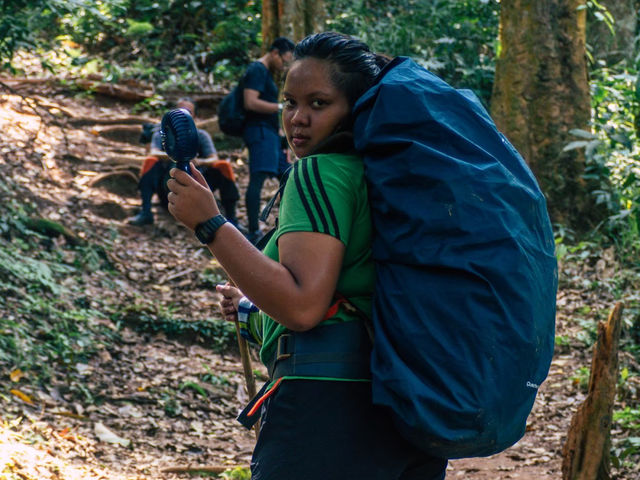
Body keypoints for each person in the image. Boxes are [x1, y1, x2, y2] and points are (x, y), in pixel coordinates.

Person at [166, 32, 448, 479]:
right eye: (290, 102)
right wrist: (249, 309)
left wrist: (210, 224)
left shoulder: (320, 172)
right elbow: (349, 291)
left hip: (327, 410)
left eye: (319, 104)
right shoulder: (389, 180)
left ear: (356, 110)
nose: (297, 119)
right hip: (408, 406)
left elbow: (301, 306)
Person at [128, 98, 239, 226]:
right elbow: (153, 153)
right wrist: (175, 156)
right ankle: (145, 212)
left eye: (188, 112)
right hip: (167, 186)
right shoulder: (162, 133)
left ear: (194, 116)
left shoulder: (201, 135)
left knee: (223, 166)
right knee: (150, 162)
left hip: (199, 186)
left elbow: (213, 158)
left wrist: (198, 161)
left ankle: (232, 219)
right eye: (179, 111)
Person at [241, 37, 295, 244]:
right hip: (260, 133)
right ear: (274, 53)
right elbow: (250, 101)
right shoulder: (257, 70)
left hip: (270, 134)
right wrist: (282, 107)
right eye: (284, 60)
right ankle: (253, 230)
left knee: (288, 174)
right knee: (258, 178)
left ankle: (286, 223)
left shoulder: (265, 73)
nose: (284, 66)